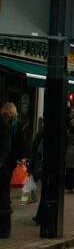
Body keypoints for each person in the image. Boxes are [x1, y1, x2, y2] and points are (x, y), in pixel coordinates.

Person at [0, 101, 22, 239]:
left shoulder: (6, 127)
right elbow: (20, 143)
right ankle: (4, 228)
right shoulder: (16, 125)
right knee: (4, 194)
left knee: (3, 195)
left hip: (6, 163)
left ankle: (4, 228)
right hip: (9, 161)